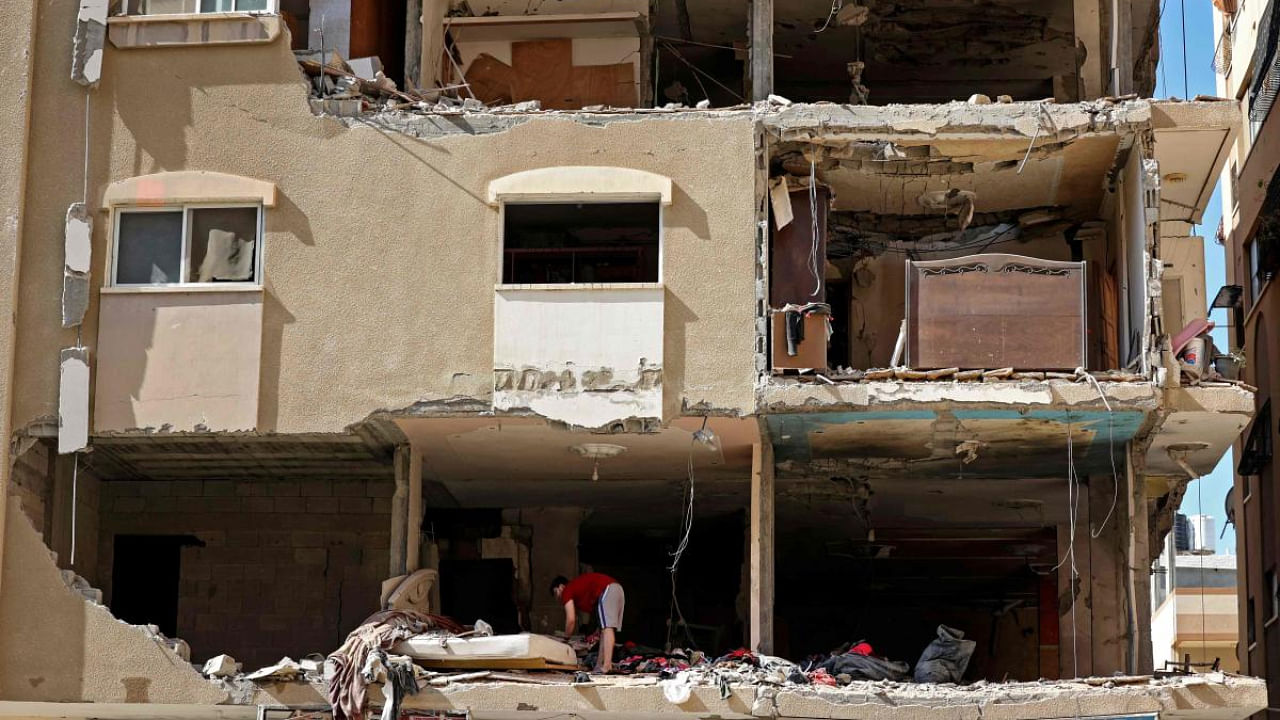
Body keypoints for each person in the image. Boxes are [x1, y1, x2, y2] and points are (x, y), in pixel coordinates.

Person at [551, 573, 625, 673]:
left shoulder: (567, 590)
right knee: (605, 631)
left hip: (608, 589)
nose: (558, 597)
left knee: (607, 629)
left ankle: (607, 665)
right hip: (617, 590)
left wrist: (566, 638)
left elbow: (571, 620)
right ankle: (600, 665)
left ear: (561, 587)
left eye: (556, 593)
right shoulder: (579, 592)